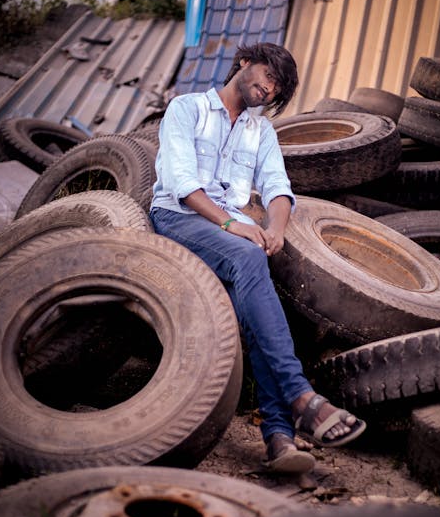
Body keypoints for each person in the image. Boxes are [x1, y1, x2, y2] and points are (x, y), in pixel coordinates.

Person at [149, 42, 366, 474]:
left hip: (229, 232)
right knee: (249, 260)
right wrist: (234, 227)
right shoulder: (187, 109)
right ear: (245, 63)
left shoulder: (260, 130)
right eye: (267, 76)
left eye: (278, 88)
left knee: (256, 297)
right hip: (178, 216)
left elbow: (276, 186)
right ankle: (300, 397)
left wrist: (275, 231)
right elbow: (181, 183)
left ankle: (280, 441)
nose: (268, 89)